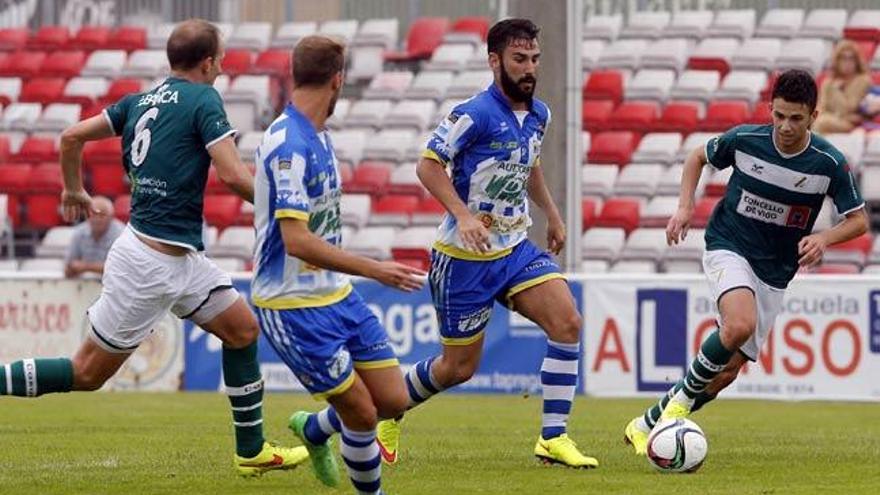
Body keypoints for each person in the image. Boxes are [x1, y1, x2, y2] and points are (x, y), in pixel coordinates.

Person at [0, 19, 308, 476]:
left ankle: (251, 450)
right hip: (148, 264)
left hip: (179, 257)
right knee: (86, 374)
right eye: (220, 59)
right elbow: (231, 174)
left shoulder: (139, 101)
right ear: (208, 62)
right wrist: (289, 208)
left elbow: (70, 137)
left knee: (242, 330)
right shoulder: (204, 98)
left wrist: (72, 190)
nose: (222, 67)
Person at [375, 18, 599, 469]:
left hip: (514, 249)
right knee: (457, 369)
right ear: (494, 60)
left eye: (535, 58)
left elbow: (529, 165)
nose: (529, 68)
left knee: (567, 323)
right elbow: (428, 166)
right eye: (520, 59)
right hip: (464, 258)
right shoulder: (473, 114)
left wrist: (551, 214)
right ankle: (383, 409)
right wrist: (462, 214)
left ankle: (553, 438)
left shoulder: (540, 114)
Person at [623, 69, 869, 455]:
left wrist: (823, 237)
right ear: (770, 109)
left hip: (775, 270)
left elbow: (858, 220)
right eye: (779, 115)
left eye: (796, 118)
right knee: (738, 325)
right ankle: (676, 410)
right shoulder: (745, 140)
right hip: (729, 243)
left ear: (813, 116)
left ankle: (647, 423)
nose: (786, 126)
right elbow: (696, 157)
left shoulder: (828, 163)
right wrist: (685, 207)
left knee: (725, 374)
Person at [251, 35, 425, 494]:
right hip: (292, 305)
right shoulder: (290, 143)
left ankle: (313, 430)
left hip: (336, 295)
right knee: (362, 414)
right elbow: (296, 241)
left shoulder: (319, 135)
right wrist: (375, 268)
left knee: (392, 400)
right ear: (338, 79)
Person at [813, 39, 871, 135]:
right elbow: (822, 107)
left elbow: (849, 108)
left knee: (821, 123)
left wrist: (838, 90)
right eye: (843, 58)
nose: (847, 63)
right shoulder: (828, 82)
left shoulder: (862, 80)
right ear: (837, 61)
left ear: (857, 61)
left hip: (848, 124)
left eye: (851, 59)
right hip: (829, 119)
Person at [63, 195, 124, 278]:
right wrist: (72, 268)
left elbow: (120, 269)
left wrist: (85, 267)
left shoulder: (121, 234)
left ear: (111, 217)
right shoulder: (79, 232)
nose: (97, 219)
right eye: (94, 214)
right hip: (83, 285)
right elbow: (68, 267)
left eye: (102, 215)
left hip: (113, 284)